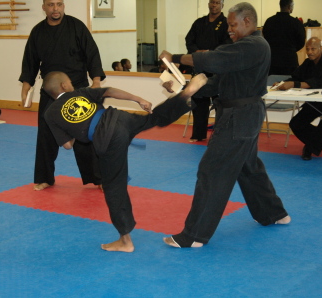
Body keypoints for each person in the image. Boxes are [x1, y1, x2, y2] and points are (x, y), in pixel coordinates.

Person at [159, 2, 291, 248]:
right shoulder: (240, 50)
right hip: (241, 115)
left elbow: (213, 59)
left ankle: (194, 235)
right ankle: (274, 213)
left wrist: (175, 57)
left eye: (232, 25)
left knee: (212, 170)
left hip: (239, 116)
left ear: (247, 22)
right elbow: (215, 84)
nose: (229, 29)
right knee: (248, 167)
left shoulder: (254, 45)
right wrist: (181, 88)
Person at [42, 71, 207, 252]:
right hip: (119, 118)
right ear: (64, 86)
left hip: (106, 138)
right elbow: (110, 91)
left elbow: (66, 145)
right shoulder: (80, 93)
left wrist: (76, 130)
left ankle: (125, 241)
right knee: (152, 119)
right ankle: (183, 97)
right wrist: (138, 99)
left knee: (114, 187)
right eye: (69, 81)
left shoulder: (50, 113)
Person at [19, 0, 106, 191]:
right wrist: (27, 84)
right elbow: (30, 61)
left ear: (63, 6)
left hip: (77, 89)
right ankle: (44, 177)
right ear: (44, 7)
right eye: (51, 5)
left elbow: (92, 53)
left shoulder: (77, 27)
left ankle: (97, 178)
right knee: (45, 135)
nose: (55, 8)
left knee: (85, 134)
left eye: (59, 4)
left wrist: (97, 81)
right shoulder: (38, 32)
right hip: (51, 91)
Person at [273, 37, 322, 160]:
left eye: (313, 49)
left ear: (321, 48)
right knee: (296, 123)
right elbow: (296, 77)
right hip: (316, 103)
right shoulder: (307, 63)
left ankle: (309, 148)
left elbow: (318, 82)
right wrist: (281, 83)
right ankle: (315, 142)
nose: (310, 52)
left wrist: (293, 84)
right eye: (307, 49)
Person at [185, 0, 231, 142]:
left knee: (220, 103)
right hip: (200, 67)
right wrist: (197, 52)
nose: (214, 5)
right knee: (198, 101)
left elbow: (228, 44)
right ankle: (199, 134)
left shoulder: (226, 23)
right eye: (212, 2)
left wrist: (211, 53)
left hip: (218, 68)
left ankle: (220, 135)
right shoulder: (199, 22)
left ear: (222, 4)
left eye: (217, 2)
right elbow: (189, 40)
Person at [262, 0, 306, 75]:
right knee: (290, 83)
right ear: (289, 7)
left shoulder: (269, 21)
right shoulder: (296, 23)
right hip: (290, 61)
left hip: (272, 60)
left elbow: (265, 39)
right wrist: (292, 49)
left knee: (271, 84)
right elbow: (301, 42)